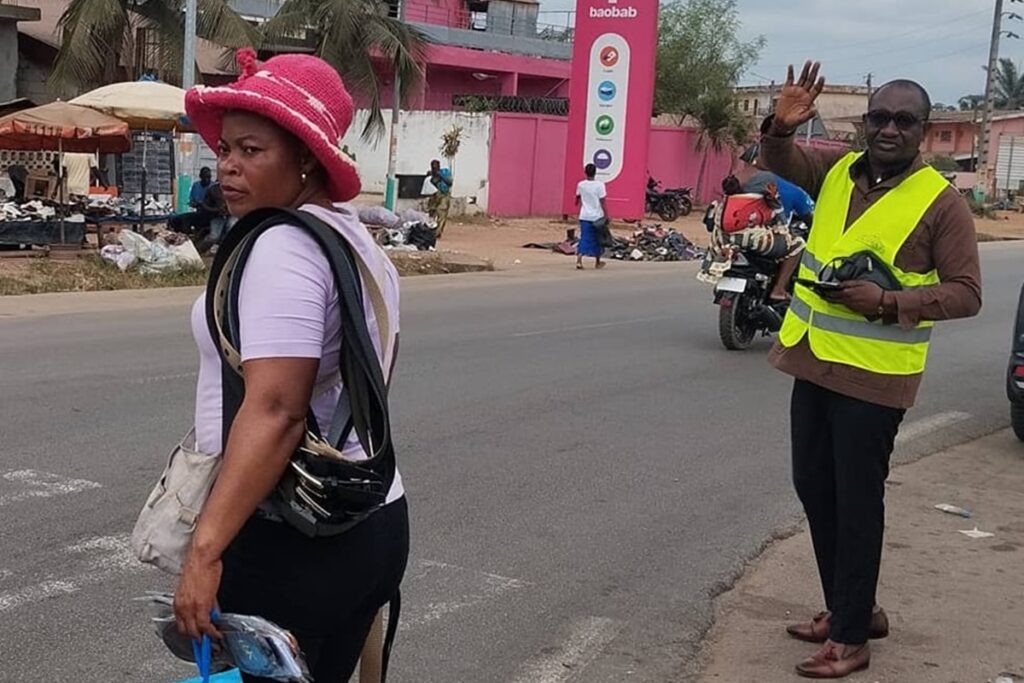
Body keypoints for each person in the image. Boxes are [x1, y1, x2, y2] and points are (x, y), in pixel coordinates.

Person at [175, 48, 408, 682]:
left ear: (306, 157)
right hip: (370, 512)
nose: (228, 166)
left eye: (253, 151)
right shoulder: (358, 242)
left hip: (295, 532)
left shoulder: (281, 245)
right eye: (225, 149)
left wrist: (206, 549)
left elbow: (277, 409)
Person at [762, 61, 981, 678]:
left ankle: (852, 638)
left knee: (857, 503)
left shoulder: (942, 204)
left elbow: (967, 292)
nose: (889, 129)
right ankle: (851, 606)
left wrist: (888, 302)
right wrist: (779, 126)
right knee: (814, 487)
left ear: (923, 130)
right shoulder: (837, 173)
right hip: (814, 358)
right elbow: (782, 162)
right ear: (865, 123)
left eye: (903, 120)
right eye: (879, 117)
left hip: (875, 378)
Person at [575, 163, 608, 270]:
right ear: (595, 172)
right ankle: (597, 262)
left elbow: (577, 199)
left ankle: (579, 260)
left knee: (584, 237)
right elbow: (603, 202)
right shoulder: (600, 185)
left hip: (584, 215)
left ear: (585, 172)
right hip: (597, 216)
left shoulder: (581, 185)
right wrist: (607, 215)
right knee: (597, 239)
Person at [426, 159, 453, 239]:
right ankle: (430, 230)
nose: (434, 169)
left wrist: (440, 175)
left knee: (441, 213)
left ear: (439, 166)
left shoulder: (444, 172)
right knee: (431, 213)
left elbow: (449, 182)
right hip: (434, 195)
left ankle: (438, 232)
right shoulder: (430, 175)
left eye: (436, 167)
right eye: (433, 167)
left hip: (444, 194)